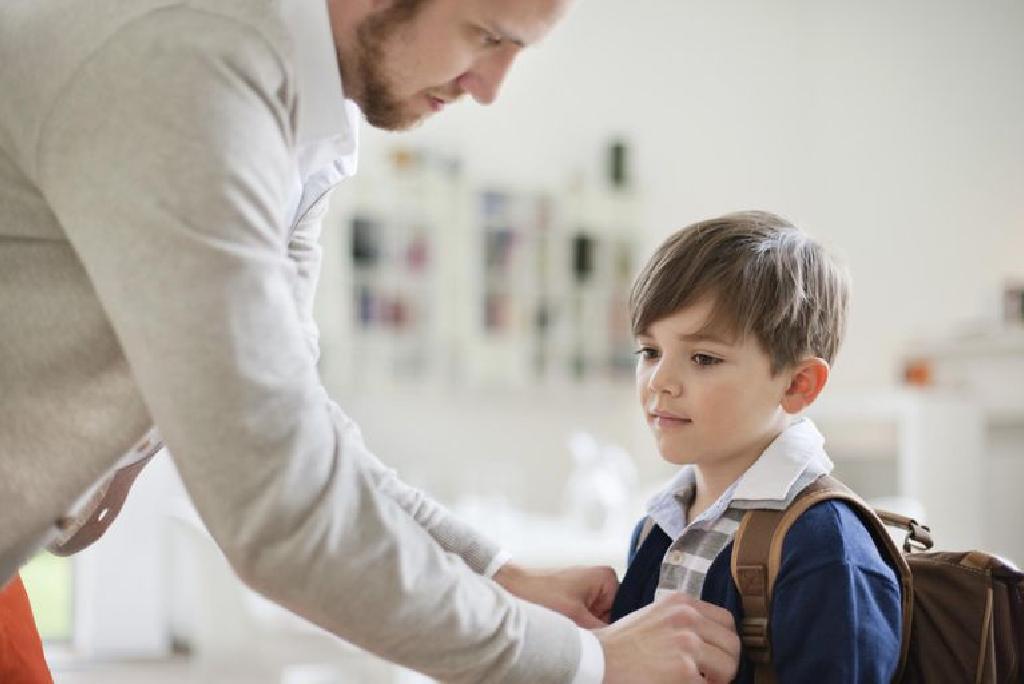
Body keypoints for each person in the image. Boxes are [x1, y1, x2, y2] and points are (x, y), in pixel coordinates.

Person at [0, 1, 741, 682]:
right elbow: (283, 505)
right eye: (484, 34)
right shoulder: (189, 66)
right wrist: (587, 665)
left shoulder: (309, 128)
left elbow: (298, 425)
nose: (490, 87)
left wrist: (499, 577)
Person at [610, 211, 903, 681]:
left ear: (798, 384)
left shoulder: (825, 546)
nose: (659, 381)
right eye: (649, 351)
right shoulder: (657, 526)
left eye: (703, 358)